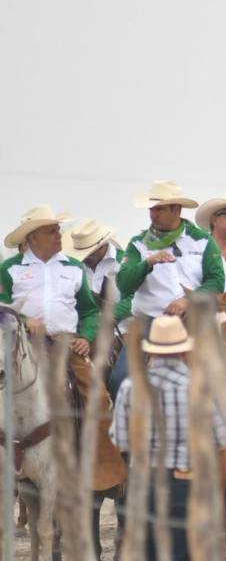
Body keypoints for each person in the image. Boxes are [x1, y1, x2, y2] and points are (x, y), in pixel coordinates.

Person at [1, 206, 127, 493]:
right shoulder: (9, 270)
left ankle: (99, 471)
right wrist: (23, 319)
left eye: (58, 230)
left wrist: (86, 336)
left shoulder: (72, 266)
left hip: (65, 346)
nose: (59, 235)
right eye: (52, 231)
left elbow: (89, 311)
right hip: (20, 346)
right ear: (33, 237)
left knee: (97, 396)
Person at [110, 315, 226, 561]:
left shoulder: (130, 387)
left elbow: (120, 442)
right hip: (186, 483)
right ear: (184, 350)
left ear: (151, 351)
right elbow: (222, 444)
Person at [116, 181, 225, 319]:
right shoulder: (138, 243)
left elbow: (216, 281)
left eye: (160, 209)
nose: (153, 215)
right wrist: (147, 263)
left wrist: (188, 300)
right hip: (149, 320)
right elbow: (124, 284)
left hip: (193, 319)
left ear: (176, 209)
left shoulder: (202, 240)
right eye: (151, 209)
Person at [63, 218, 132, 327]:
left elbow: (134, 297)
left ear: (102, 247)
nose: (84, 259)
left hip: (122, 331)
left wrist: (111, 315)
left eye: (88, 255)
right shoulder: (75, 268)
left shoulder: (125, 263)